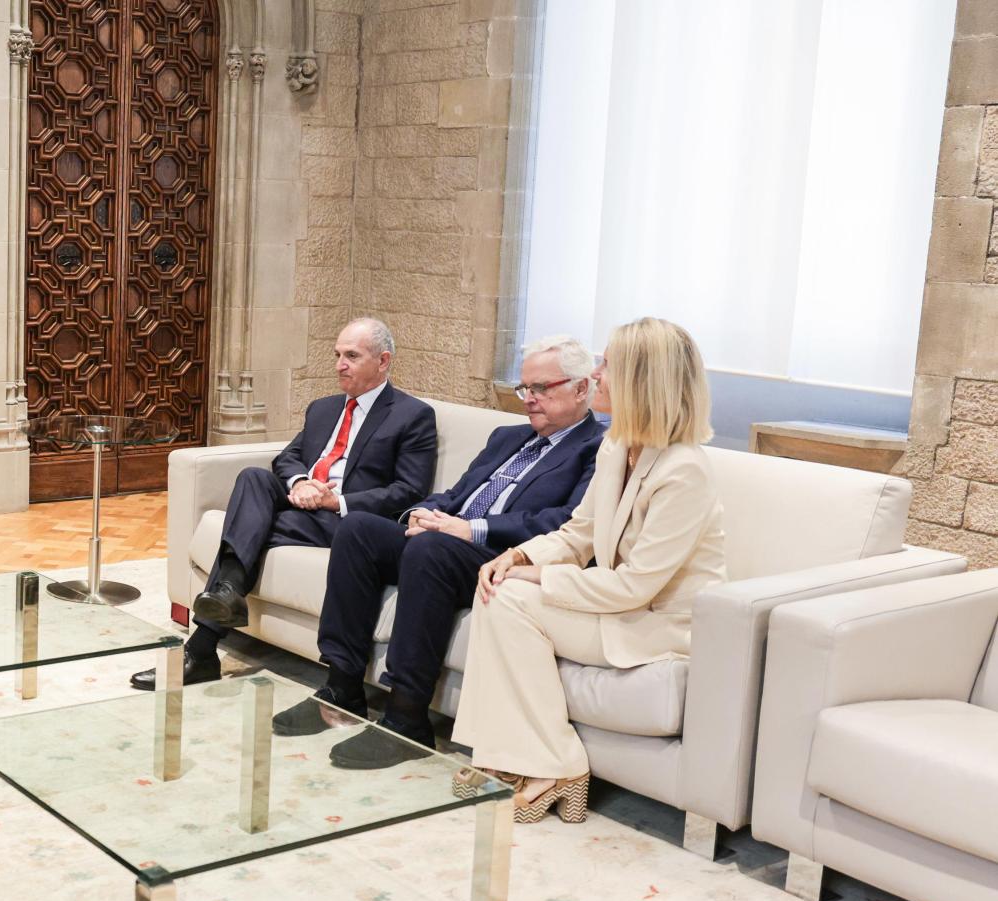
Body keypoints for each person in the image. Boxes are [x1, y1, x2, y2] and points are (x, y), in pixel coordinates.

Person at [273, 336, 607, 769]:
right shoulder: (508, 437)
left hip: (504, 559)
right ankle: (342, 687)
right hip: (446, 540)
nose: (529, 400)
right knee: (357, 529)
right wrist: (422, 513)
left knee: (432, 550)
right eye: (525, 389)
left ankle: (407, 716)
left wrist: (468, 529)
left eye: (542, 388)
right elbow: (455, 494)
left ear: (581, 389)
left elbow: (565, 522)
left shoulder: (596, 448)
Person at [452, 317, 726, 824]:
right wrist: (520, 557)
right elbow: (580, 533)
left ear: (642, 381)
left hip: (654, 624)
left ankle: (554, 765)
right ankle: (514, 758)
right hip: (617, 605)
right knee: (498, 586)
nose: (597, 374)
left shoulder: (685, 471)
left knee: (511, 598)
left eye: (608, 365)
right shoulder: (618, 446)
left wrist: (541, 578)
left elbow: (635, 586)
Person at [130, 317, 438, 691]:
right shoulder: (324, 408)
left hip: (346, 523)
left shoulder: (412, 416)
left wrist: (334, 500)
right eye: (337, 354)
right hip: (301, 503)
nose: (339, 364)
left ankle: (202, 647)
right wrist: (301, 481)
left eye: (352, 356)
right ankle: (222, 604)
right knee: (253, 478)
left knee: (250, 530)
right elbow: (286, 459)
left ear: (383, 361)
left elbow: (409, 490)